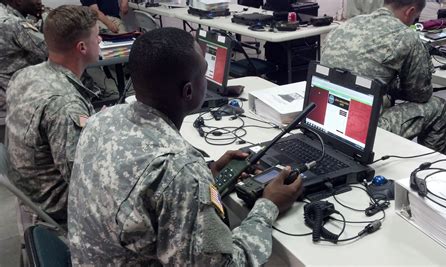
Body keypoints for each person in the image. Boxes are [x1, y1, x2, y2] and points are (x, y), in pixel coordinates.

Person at [68, 27, 303, 265]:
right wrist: (268, 206)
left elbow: (148, 200)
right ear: (188, 91)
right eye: (204, 74)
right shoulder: (179, 169)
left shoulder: (101, 120)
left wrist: (208, 180)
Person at [6, 5, 100, 223]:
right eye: (97, 36)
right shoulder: (65, 105)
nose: (101, 41)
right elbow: (84, 181)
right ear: (82, 47)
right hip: (56, 205)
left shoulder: (26, 74)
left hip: (31, 190)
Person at [321, 0, 446, 153]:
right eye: (415, 18)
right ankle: (430, 169)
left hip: (325, 117)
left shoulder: (345, 26)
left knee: (385, 98)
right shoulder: (406, 36)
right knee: (438, 106)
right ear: (410, 12)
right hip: (359, 131)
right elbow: (420, 94)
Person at [0, 0, 48, 142]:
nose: (39, 1)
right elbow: (52, 49)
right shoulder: (11, 23)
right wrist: (45, 16)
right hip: (18, 107)